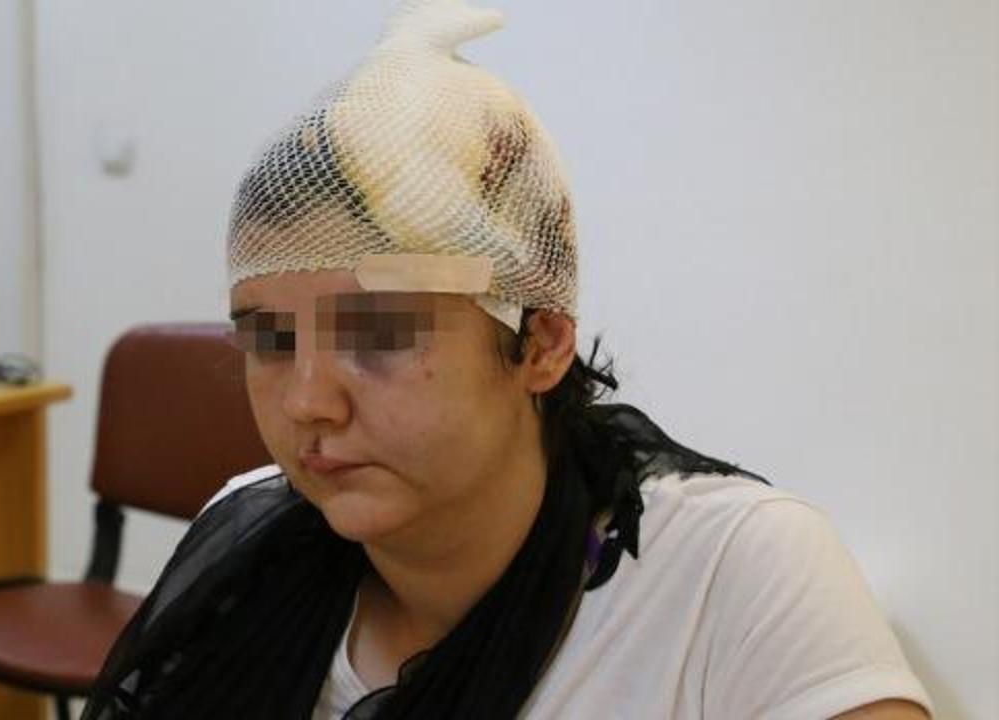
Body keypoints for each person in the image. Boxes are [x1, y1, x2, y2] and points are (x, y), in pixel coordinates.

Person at [83, 1, 933, 717]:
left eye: (379, 333)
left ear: (541, 344)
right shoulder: (252, 537)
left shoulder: (730, 577)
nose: (308, 401)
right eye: (269, 340)